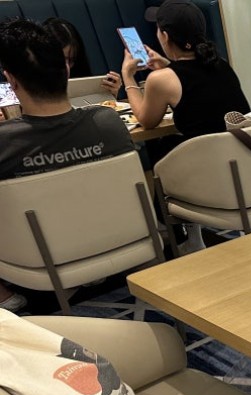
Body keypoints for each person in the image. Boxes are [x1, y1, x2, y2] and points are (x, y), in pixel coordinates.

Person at [0, 18, 135, 310]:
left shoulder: (6, 143)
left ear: (11, 80)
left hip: (39, 263)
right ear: (66, 68)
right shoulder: (109, 121)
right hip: (119, 244)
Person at [121, 0, 250, 252]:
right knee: (171, 144)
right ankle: (190, 234)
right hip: (240, 165)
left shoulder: (162, 80)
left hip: (207, 175)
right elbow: (194, 83)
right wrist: (168, 66)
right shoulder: (220, 64)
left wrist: (128, 77)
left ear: (165, 35)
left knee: (162, 147)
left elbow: (146, 121)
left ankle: (174, 232)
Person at [42, 17, 121, 97]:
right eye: (60, 60)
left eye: (71, 60)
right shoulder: (34, 88)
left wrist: (110, 95)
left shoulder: (79, 74)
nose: (67, 67)